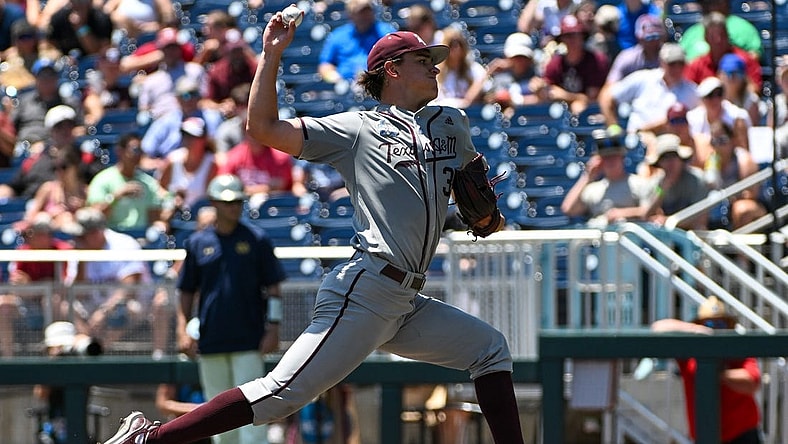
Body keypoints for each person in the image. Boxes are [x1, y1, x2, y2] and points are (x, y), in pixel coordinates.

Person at [102, 22, 524, 444]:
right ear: (391, 70)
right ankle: (149, 439)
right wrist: (270, 56)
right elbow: (264, 127)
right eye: (422, 60)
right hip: (366, 291)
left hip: (405, 299)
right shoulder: (357, 130)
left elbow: (457, 207)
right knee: (280, 395)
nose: (435, 68)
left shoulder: (452, 123)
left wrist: (478, 219)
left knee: (490, 350)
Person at [174, 173, 286, 444]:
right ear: (213, 202)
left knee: (252, 414)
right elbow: (186, 291)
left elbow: (274, 289)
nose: (233, 207)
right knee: (219, 420)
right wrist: (182, 330)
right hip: (211, 341)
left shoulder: (257, 239)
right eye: (227, 202)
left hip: (249, 340)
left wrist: (273, 327)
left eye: (237, 201)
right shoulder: (198, 243)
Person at [651, 296, 763, 443]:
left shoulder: (738, 349)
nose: (714, 330)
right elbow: (658, 328)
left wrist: (718, 374)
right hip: (705, 436)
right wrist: (698, 330)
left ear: (729, 327)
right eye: (709, 324)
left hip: (741, 436)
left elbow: (752, 381)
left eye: (720, 324)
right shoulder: (691, 350)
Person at [63, 207, 171, 356]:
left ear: (96, 233)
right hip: (95, 304)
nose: (77, 240)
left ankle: (99, 352)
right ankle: (89, 347)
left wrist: (104, 312)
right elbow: (76, 292)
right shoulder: (79, 250)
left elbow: (129, 288)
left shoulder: (124, 244)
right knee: (66, 306)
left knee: (122, 311)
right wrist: (82, 262)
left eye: (81, 236)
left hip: (130, 303)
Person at [0, 213, 74, 357]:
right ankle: (8, 358)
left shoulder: (62, 250)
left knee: (53, 301)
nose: (39, 237)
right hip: (27, 302)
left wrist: (33, 286)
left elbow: (65, 287)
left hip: (56, 303)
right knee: (3, 304)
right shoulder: (22, 252)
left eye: (44, 233)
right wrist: (42, 286)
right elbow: (16, 287)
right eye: (35, 233)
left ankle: (53, 355)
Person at [561, 128, 656, 228]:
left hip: (628, 237)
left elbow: (651, 211)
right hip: (599, 238)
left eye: (614, 156)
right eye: (606, 158)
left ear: (622, 157)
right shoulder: (594, 189)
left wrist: (622, 213)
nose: (611, 161)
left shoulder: (638, 183)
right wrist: (587, 177)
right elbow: (569, 209)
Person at [598, 42, 698, 135]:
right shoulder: (643, 79)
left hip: (672, 146)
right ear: (661, 62)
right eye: (672, 64)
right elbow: (606, 97)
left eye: (680, 64)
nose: (677, 69)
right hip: (636, 142)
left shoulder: (693, 92)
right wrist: (613, 127)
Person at [85, 132, 165, 233]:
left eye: (141, 151)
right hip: (111, 238)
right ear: (120, 151)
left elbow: (154, 218)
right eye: (135, 150)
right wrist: (116, 196)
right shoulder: (102, 179)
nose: (138, 155)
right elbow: (95, 216)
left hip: (141, 238)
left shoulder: (148, 183)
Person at [0, 104, 83, 200]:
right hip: (35, 205)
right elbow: (15, 185)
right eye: (59, 127)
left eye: (69, 126)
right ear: (51, 131)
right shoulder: (36, 159)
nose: (65, 131)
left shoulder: (85, 157)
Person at [700, 121, 765, 230]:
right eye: (714, 142)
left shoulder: (744, 160)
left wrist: (728, 197)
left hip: (756, 207)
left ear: (733, 140)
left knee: (741, 209)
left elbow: (751, 193)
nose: (718, 146)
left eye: (722, 141)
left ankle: (738, 246)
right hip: (723, 205)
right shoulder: (712, 161)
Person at [542, 14, 609, 114]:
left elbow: (592, 96)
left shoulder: (597, 61)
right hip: (561, 111)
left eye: (576, 35)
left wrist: (565, 96)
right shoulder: (555, 64)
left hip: (594, 112)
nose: (572, 40)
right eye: (568, 36)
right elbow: (548, 91)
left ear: (583, 37)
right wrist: (577, 98)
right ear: (562, 39)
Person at [317, 0, 395, 83]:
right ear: (351, 15)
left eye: (367, 10)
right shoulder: (338, 35)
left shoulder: (386, 32)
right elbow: (325, 65)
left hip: (378, 82)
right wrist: (335, 79)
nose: (365, 15)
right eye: (360, 12)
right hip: (345, 85)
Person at [136, 27, 206, 120]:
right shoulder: (151, 80)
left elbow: (206, 100)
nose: (171, 52)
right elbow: (144, 110)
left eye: (174, 47)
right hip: (161, 124)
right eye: (167, 48)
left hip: (192, 121)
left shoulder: (195, 71)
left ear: (180, 48)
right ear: (161, 50)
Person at [683, 12, 762, 93]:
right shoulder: (697, 65)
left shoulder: (744, 59)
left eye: (722, 35)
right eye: (713, 36)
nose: (718, 40)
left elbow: (755, 90)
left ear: (727, 35)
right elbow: (688, 92)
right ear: (706, 38)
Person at [644, 134, 708, 230]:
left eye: (674, 156)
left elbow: (700, 220)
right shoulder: (657, 184)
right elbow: (646, 215)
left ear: (681, 159)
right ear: (659, 163)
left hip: (691, 235)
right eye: (665, 157)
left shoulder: (697, 180)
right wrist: (661, 192)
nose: (670, 163)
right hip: (667, 235)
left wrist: (669, 221)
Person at [158, 117, 218, 219]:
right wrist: (172, 198)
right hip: (174, 216)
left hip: (200, 219)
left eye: (193, 136)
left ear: (204, 139)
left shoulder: (213, 164)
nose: (188, 140)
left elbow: (212, 197)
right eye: (185, 135)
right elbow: (160, 188)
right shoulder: (173, 159)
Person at [23, 144, 87, 230]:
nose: (59, 171)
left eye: (63, 167)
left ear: (75, 167)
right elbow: (30, 217)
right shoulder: (48, 189)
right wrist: (50, 215)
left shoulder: (85, 191)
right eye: (55, 167)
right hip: (50, 235)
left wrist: (80, 209)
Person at [687, 76, 751, 164]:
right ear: (702, 99)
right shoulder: (692, 118)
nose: (715, 99)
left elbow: (744, 149)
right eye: (710, 96)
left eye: (719, 94)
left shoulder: (738, 116)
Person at [483, 31, 548, 115]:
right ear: (508, 57)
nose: (520, 61)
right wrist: (489, 72)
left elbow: (543, 100)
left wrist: (513, 100)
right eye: (516, 57)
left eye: (523, 57)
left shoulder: (537, 76)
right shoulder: (500, 78)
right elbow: (486, 99)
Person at [678, 0, 761, 63]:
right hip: (696, 80)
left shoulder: (742, 27)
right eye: (706, 3)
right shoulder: (691, 32)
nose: (710, 6)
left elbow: (755, 55)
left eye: (714, 2)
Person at [430, 26, 487, 109]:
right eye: (452, 44)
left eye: (459, 44)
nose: (456, 48)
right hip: (443, 113)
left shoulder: (474, 69)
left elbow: (471, 100)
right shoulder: (437, 71)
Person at [605, 13, 665, 85]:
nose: (653, 41)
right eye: (649, 38)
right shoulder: (626, 58)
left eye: (656, 36)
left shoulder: (669, 56)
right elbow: (610, 87)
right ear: (639, 38)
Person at [45, 0, 113, 57]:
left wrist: (81, 27)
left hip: (93, 64)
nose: (79, 4)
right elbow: (50, 44)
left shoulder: (100, 18)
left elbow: (97, 51)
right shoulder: (59, 18)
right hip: (66, 62)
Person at [717, 53, 761, 127]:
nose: (731, 79)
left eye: (736, 74)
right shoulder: (714, 96)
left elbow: (752, 129)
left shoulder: (751, 100)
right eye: (728, 74)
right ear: (719, 75)